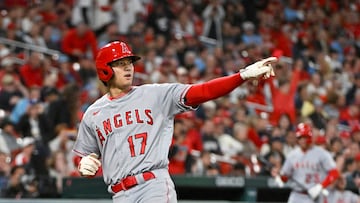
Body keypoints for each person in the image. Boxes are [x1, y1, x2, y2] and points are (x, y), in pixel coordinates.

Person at [72, 40, 277, 203]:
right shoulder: (94, 113)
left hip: (152, 186)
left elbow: (202, 91)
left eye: (129, 63)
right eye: (120, 64)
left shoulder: (156, 95)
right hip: (119, 194)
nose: (128, 68)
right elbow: (83, 157)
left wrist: (241, 76)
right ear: (105, 70)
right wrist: (83, 165)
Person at [272, 122, 340, 203]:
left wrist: (320, 186)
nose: (302, 140)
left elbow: (334, 173)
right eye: (300, 138)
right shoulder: (292, 155)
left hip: (315, 196)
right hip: (296, 195)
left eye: (305, 137)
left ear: (310, 137)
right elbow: (285, 177)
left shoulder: (321, 153)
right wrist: (278, 176)